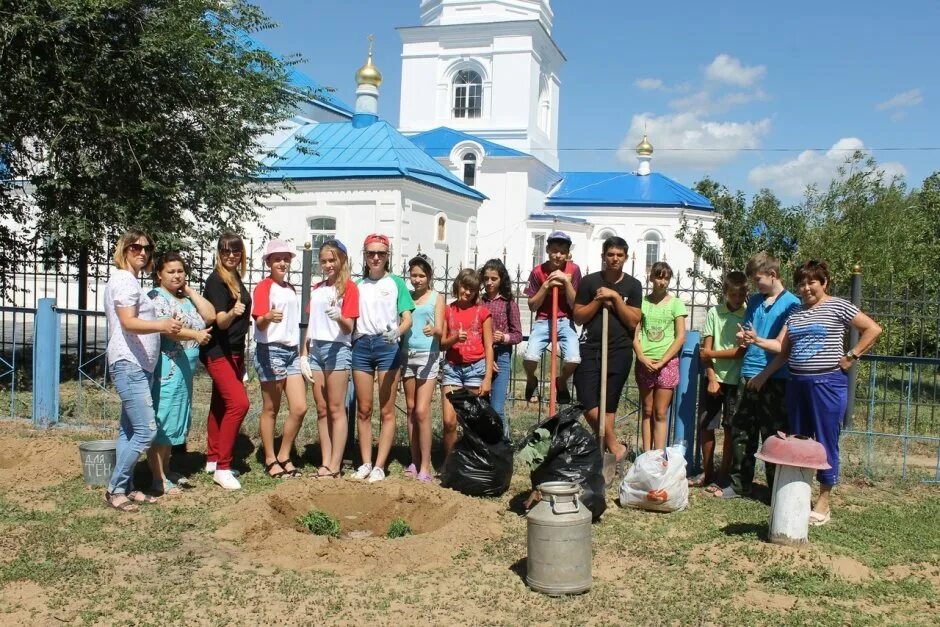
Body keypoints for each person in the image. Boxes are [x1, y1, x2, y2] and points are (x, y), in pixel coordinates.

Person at [745, 261, 881, 523]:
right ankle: (799, 496)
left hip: (827, 384)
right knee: (799, 441)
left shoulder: (838, 306)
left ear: (824, 282)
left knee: (826, 441)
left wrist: (851, 356)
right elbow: (783, 350)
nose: (806, 288)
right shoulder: (795, 312)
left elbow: (872, 329)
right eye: (801, 283)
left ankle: (823, 503)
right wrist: (757, 341)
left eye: (812, 282)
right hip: (796, 385)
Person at [104, 229, 181, 512]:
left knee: (129, 430)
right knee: (146, 430)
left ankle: (126, 487)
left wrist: (162, 323)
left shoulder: (131, 282)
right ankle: (114, 489)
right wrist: (161, 325)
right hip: (129, 364)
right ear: (124, 249)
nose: (142, 252)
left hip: (139, 365)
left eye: (147, 248)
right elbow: (129, 322)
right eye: (135, 247)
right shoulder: (124, 280)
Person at [713, 252, 801, 499]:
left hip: (774, 377)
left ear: (773, 275)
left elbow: (782, 347)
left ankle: (776, 489)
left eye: (758, 279)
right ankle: (740, 484)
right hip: (747, 373)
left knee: (773, 434)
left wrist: (758, 346)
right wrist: (744, 338)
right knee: (742, 430)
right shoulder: (754, 302)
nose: (754, 285)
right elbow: (749, 334)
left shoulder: (792, 304)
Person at [147, 253, 215, 496]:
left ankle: (166, 468)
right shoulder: (156, 298)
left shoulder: (183, 299)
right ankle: (157, 478)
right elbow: (168, 331)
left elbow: (210, 316)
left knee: (175, 418)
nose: (177, 276)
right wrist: (195, 335)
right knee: (162, 419)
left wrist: (190, 291)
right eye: (171, 272)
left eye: (180, 272)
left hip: (184, 370)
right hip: (167, 368)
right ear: (159, 275)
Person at [573, 236, 642, 466]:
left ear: (626, 257)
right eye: (610, 254)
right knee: (585, 399)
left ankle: (604, 460)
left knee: (609, 405)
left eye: (619, 255)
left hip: (620, 351)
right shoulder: (589, 282)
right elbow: (579, 316)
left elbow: (633, 321)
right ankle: (616, 446)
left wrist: (614, 298)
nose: (615, 259)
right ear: (603, 256)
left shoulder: (633, 286)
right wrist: (598, 300)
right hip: (590, 347)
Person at [351, 234, 414, 483]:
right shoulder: (357, 285)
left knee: (386, 409)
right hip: (362, 345)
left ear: (388, 256)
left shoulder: (396, 283)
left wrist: (397, 332)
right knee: (364, 409)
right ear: (364, 256)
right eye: (370, 253)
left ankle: (380, 465)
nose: (375, 257)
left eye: (380, 253)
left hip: (387, 345)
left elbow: (407, 317)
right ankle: (365, 462)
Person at [300, 239, 359, 478]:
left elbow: (349, 328)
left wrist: (340, 317)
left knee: (336, 408)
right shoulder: (317, 289)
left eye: (332, 259)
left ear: (342, 259)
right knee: (322, 409)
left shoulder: (350, 289)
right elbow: (310, 324)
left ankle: (336, 464)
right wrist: (303, 354)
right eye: (323, 261)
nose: (327, 265)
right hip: (316, 350)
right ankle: (325, 461)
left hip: (338, 349)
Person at [200, 233, 251, 490]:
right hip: (217, 351)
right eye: (225, 251)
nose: (231, 255)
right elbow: (219, 321)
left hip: (234, 351)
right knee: (239, 404)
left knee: (220, 403)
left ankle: (212, 457)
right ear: (218, 253)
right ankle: (223, 466)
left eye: (236, 251)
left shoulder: (234, 278)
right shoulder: (217, 280)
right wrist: (233, 312)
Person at [252, 239, 306, 479]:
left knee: (300, 407)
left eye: (286, 258)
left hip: (291, 352)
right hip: (270, 350)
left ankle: (284, 453)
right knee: (271, 409)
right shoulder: (264, 287)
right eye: (277, 259)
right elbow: (259, 320)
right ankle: (270, 458)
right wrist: (267, 317)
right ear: (268, 263)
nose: (282, 263)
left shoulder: (291, 289)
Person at [690, 271, 747, 492]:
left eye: (741, 295)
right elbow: (705, 351)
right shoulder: (715, 313)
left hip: (736, 380)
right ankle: (708, 472)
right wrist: (712, 378)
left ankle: (723, 476)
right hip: (714, 379)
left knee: (731, 428)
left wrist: (713, 353)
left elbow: (740, 352)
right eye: (733, 295)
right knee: (707, 425)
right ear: (725, 293)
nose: (737, 299)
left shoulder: (747, 315)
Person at [522, 231, 582, 404]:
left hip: (565, 321)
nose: (558, 255)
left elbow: (575, 304)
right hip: (543, 320)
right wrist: (546, 285)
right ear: (547, 250)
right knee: (530, 358)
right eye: (554, 250)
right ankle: (532, 379)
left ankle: (561, 381)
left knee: (573, 359)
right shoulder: (537, 272)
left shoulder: (574, 270)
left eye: (562, 252)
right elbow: (532, 305)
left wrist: (566, 282)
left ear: (568, 253)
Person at [634, 261, 687, 451]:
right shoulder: (642, 303)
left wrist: (663, 361)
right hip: (645, 362)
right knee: (647, 411)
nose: (662, 282)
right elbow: (635, 333)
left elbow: (681, 337)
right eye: (658, 277)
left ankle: (659, 454)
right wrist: (641, 356)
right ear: (651, 278)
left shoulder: (675, 304)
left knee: (660, 412)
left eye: (666, 278)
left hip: (667, 364)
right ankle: (647, 454)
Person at [441, 268, 495, 456]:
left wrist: (487, 378)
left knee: (471, 422)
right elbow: (441, 344)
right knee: (449, 421)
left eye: (472, 290)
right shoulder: (448, 310)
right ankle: (449, 463)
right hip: (452, 369)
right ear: (458, 285)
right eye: (464, 287)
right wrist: (455, 339)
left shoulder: (483, 313)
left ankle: (470, 461)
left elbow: (489, 347)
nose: (467, 292)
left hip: (475, 369)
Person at [400, 253, 444, 482]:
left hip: (428, 355)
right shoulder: (405, 296)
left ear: (429, 276)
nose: (417, 279)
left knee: (421, 410)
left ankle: (426, 465)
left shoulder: (437, 297)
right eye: (413, 275)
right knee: (409, 409)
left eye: (421, 275)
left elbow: (442, 329)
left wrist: (434, 330)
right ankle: (414, 461)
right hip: (407, 354)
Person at [480, 258, 522, 438]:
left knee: (497, 409)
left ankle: (501, 447)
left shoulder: (508, 303)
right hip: (480, 356)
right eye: (486, 278)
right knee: (481, 406)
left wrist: (504, 337)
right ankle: (482, 446)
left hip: (501, 356)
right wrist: (484, 358)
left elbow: (518, 334)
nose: (489, 282)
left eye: (494, 279)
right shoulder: (478, 301)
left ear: (501, 280)